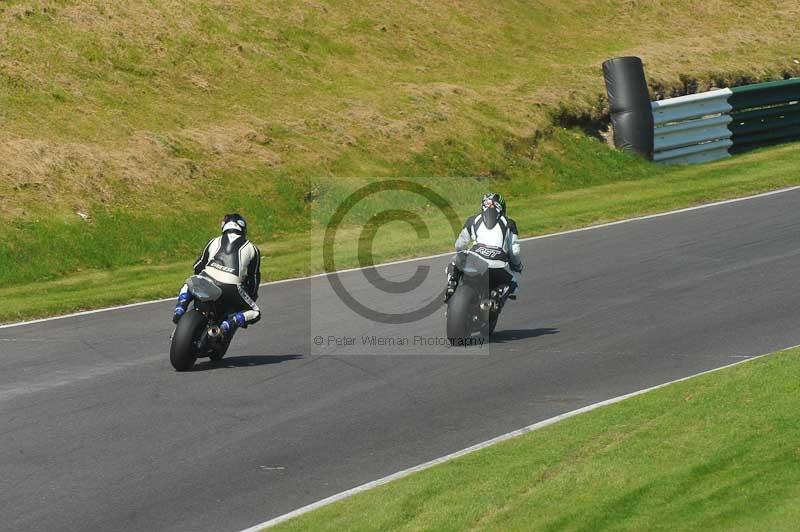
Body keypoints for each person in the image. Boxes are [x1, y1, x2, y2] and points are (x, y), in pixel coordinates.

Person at [172, 213, 261, 336]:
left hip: (207, 278)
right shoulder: (253, 248)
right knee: (255, 312)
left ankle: (180, 308)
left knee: (189, 283)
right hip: (231, 287)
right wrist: (252, 294)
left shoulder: (213, 241)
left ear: (224, 227)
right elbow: (254, 278)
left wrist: (200, 275)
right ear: (243, 229)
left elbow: (198, 265)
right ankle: (229, 323)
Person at [445, 192, 522, 302]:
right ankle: (498, 294)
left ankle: (452, 282)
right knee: (512, 281)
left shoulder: (473, 220)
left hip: (475, 260)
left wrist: (462, 256)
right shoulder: (509, 223)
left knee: (453, 263)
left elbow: (459, 245)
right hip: (498, 265)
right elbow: (514, 251)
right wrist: (517, 265)